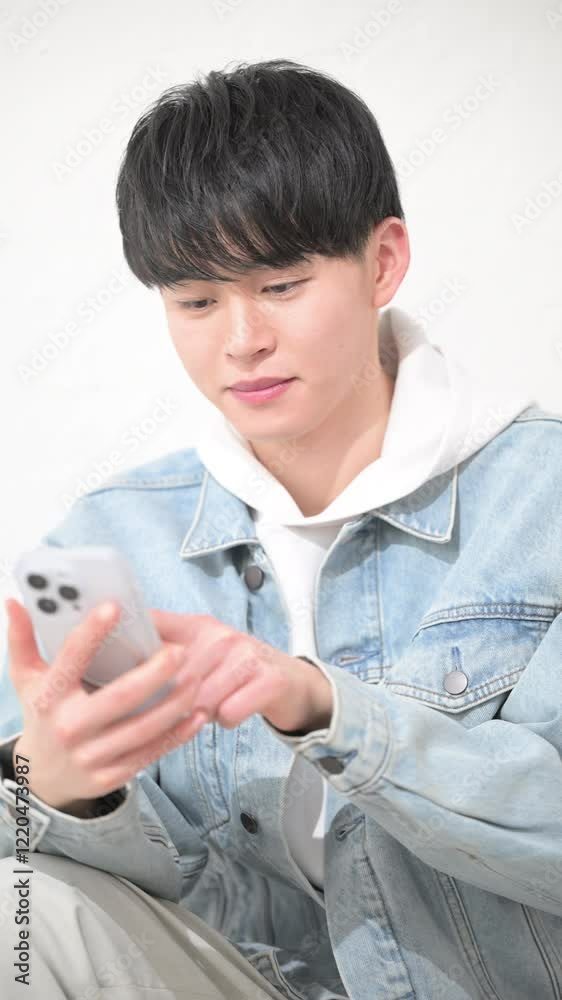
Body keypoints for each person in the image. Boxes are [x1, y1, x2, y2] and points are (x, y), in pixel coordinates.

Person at [1, 57, 561, 1000]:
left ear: (383, 261)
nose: (241, 341)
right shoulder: (110, 538)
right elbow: (80, 894)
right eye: (196, 301)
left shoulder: (539, 497)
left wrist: (324, 707)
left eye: (283, 286)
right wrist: (50, 787)